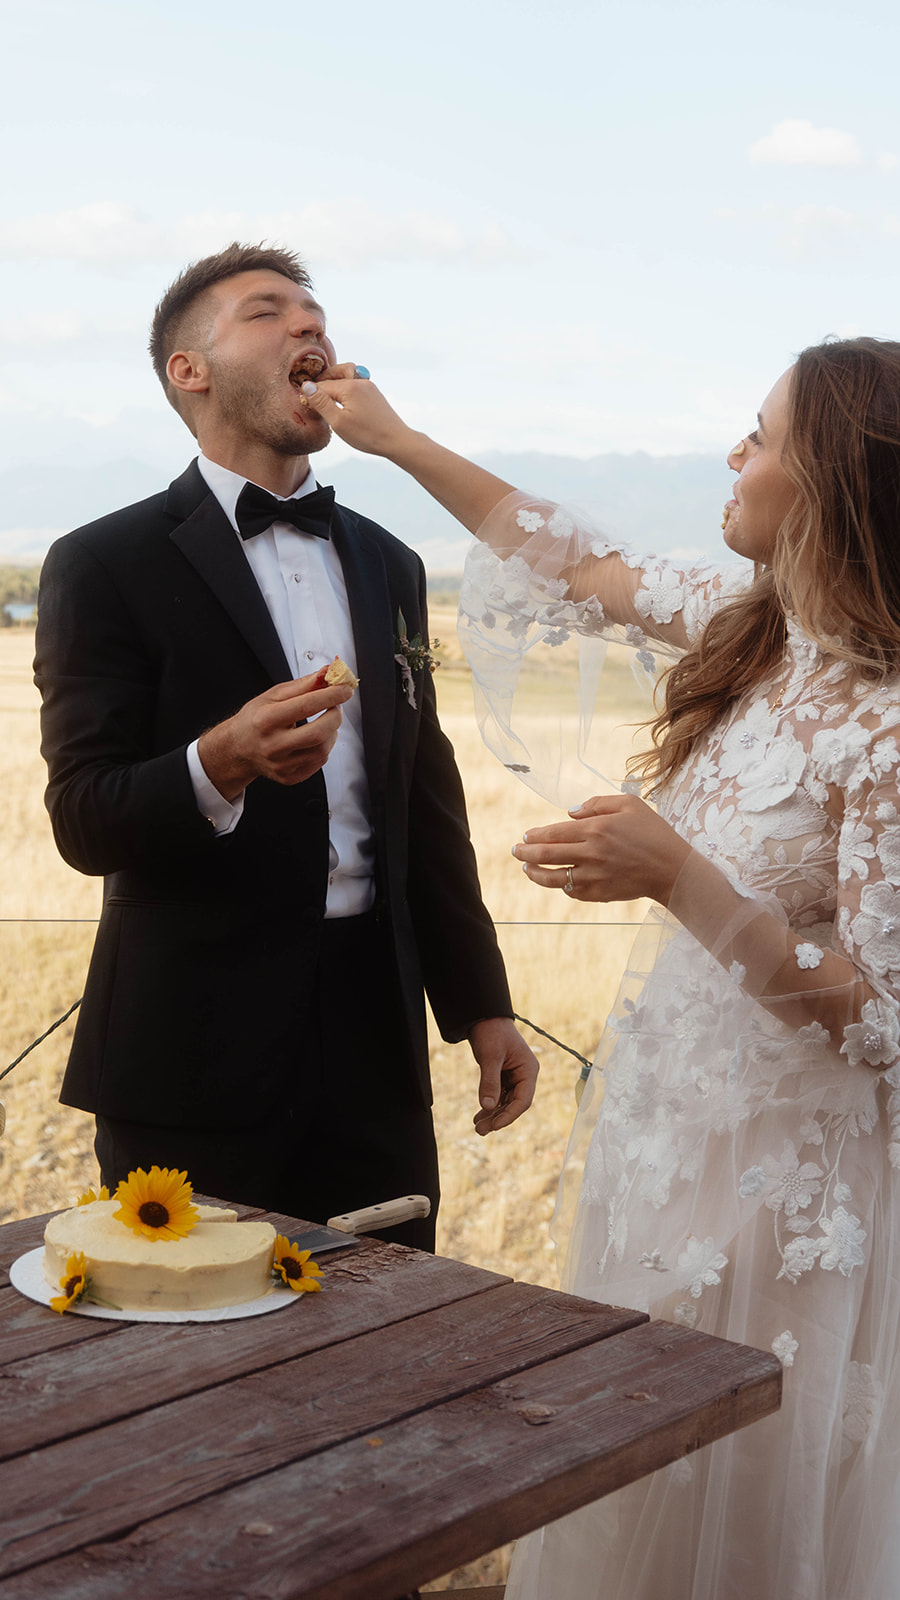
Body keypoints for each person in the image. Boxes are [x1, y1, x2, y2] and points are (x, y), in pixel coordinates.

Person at [295, 338, 900, 1597]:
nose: (733, 455)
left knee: (777, 1505)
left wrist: (672, 874)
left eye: (758, 436)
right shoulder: (750, 631)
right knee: (652, 1483)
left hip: (821, 1198)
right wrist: (396, 439)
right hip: (679, 1148)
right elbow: (568, 557)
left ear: (831, 481)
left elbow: (874, 1021)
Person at [33, 242, 538, 1249]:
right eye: (269, 313)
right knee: (189, 1359)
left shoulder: (389, 564)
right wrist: (217, 760)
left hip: (374, 1050)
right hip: (189, 1053)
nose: (310, 327)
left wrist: (482, 1005)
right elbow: (84, 817)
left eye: (318, 316)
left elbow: (422, 804)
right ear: (191, 369)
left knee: (388, 1349)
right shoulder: (101, 562)